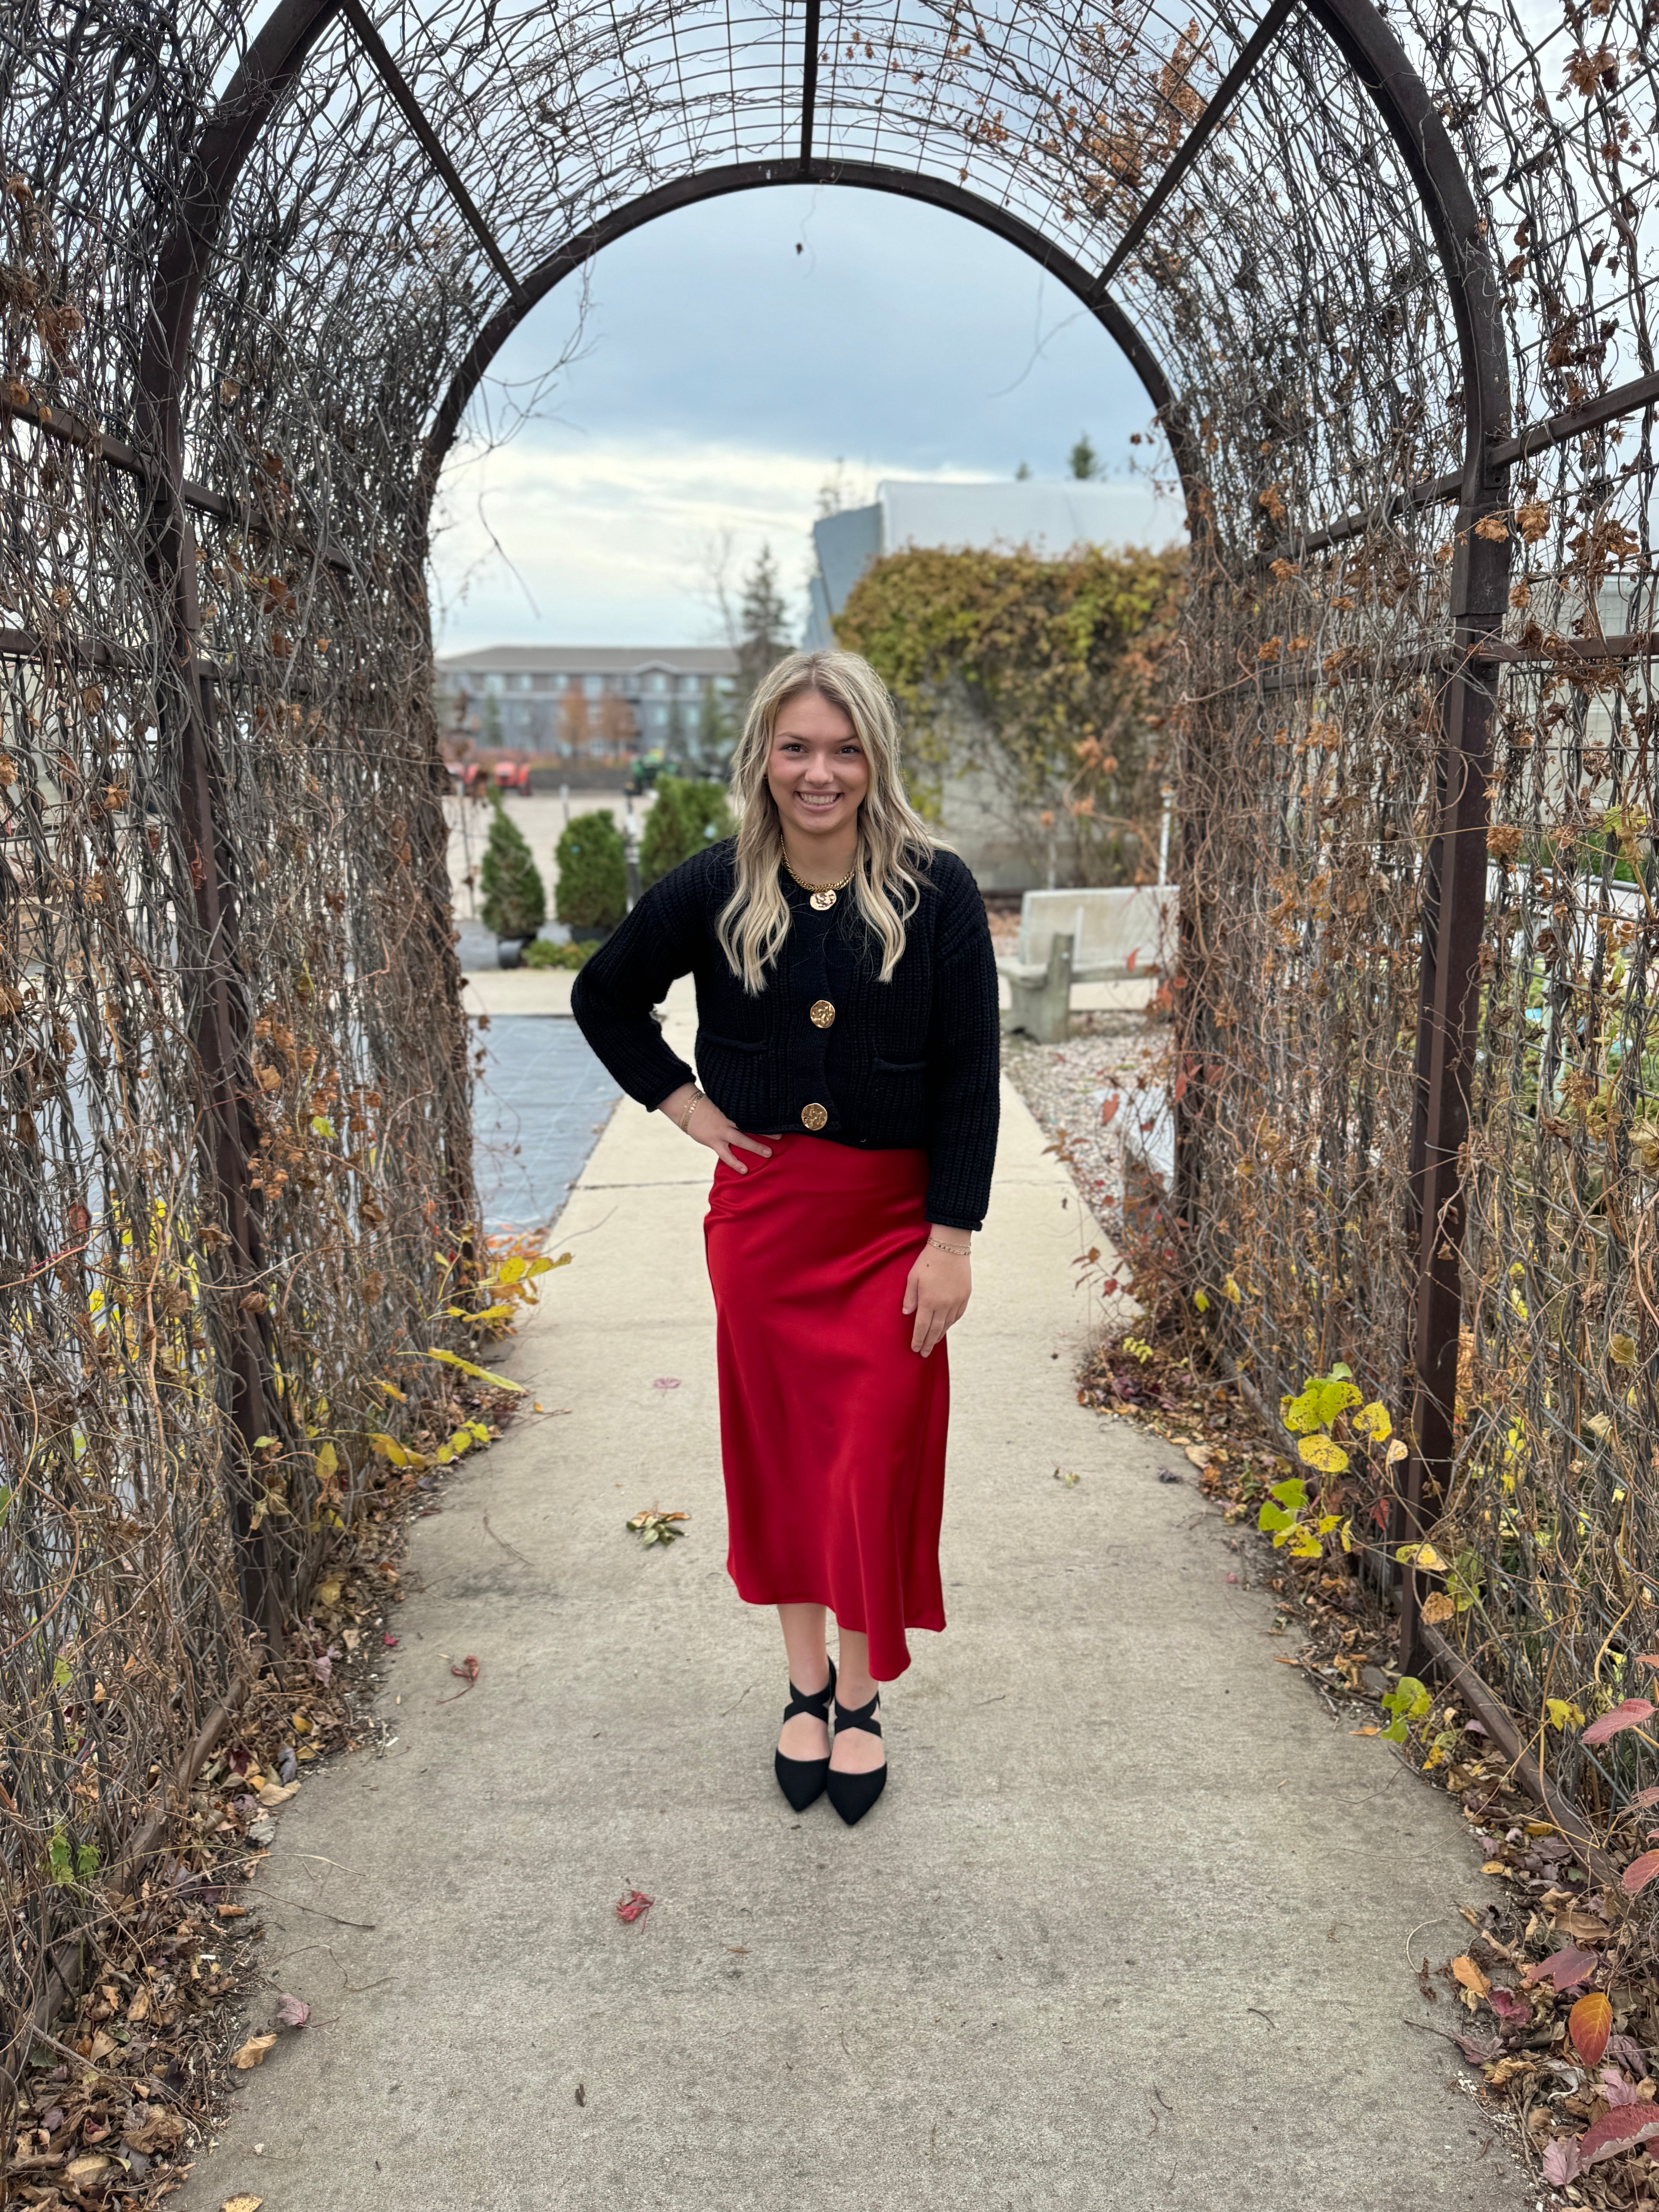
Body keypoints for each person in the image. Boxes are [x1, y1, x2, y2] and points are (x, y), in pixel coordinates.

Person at [572, 649, 999, 1824]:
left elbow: (971, 1074)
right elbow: (603, 994)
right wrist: (685, 1104)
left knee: (869, 1460)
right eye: (799, 747)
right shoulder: (714, 885)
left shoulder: (936, 891)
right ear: (765, 753)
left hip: (888, 1230)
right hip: (765, 1229)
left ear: (876, 760)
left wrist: (950, 1239)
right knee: (787, 1463)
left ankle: (860, 1698)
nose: (821, 773)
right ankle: (802, 1684)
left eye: (845, 749)